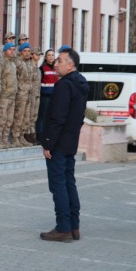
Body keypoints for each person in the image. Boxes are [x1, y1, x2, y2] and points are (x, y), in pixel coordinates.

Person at [40, 48, 88, 242]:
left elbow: (57, 118)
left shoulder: (64, 85)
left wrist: (48, 143)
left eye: (60, 61)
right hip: (70, 142)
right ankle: (74, 226)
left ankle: (63, 228)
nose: (56, 64)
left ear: (70, 64)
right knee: (69, 183)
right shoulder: (81, 84)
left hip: (59, 144)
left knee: (58, 185)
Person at [37, 49, 59, 142]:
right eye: (49, 55)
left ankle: (48, 136)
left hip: (54, 97)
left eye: (52, 55)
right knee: (42, 117)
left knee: (51, 117)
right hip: (45, 96)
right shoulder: (42, 68)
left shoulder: (56, 69)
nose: (51, 57)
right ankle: (40, 137)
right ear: (45, 57)